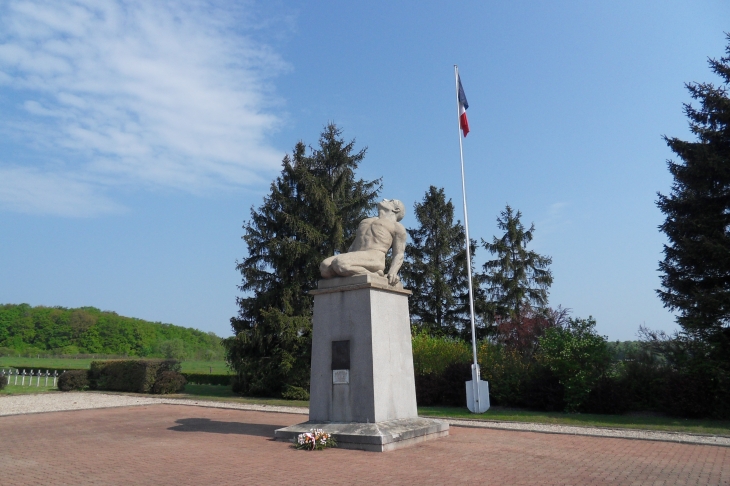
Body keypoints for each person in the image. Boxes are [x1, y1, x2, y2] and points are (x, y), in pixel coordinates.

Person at [320, 199, 406, 286]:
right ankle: (362, 272)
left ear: (396, 209)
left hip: (375, 257)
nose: (385, 199)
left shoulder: (397, 227)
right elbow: (354, 244)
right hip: (358, 255)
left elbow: (399, 254)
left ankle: (375, 275)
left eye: (390, 201)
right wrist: (348, 257)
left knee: (340, 263)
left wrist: (392, 272)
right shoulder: (365, 221)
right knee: (325, 267)